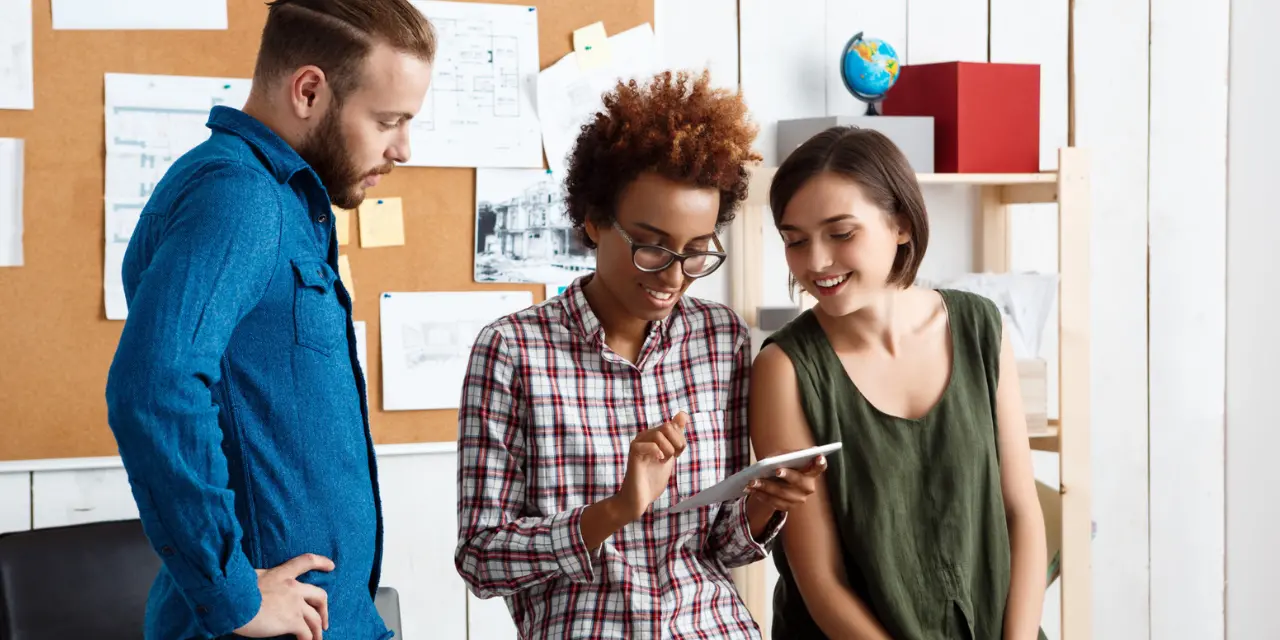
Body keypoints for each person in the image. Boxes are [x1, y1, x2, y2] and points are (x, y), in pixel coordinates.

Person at [453, 69, 826, 639]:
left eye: (696, 251)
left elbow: (721, 546)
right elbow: (481, 559)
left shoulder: (720, 337)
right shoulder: (512, 351)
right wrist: (615, 510)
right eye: (652, 247)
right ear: (594, 220)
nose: (674, 276)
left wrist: (766, 502)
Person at [103, 1, 435, 639]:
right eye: (388, 120)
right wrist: (234, 596)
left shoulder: (280, 197)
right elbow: (153, 387)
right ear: (309, 91)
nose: (403, 148)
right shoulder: (239, 195)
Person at [749, 126, 1048, 640]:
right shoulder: (785, 368)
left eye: (841, 234)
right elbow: (821, 581)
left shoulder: (980, 328)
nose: (815, 262)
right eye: (795, 240)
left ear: (902, 224)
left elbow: (1021, 513)